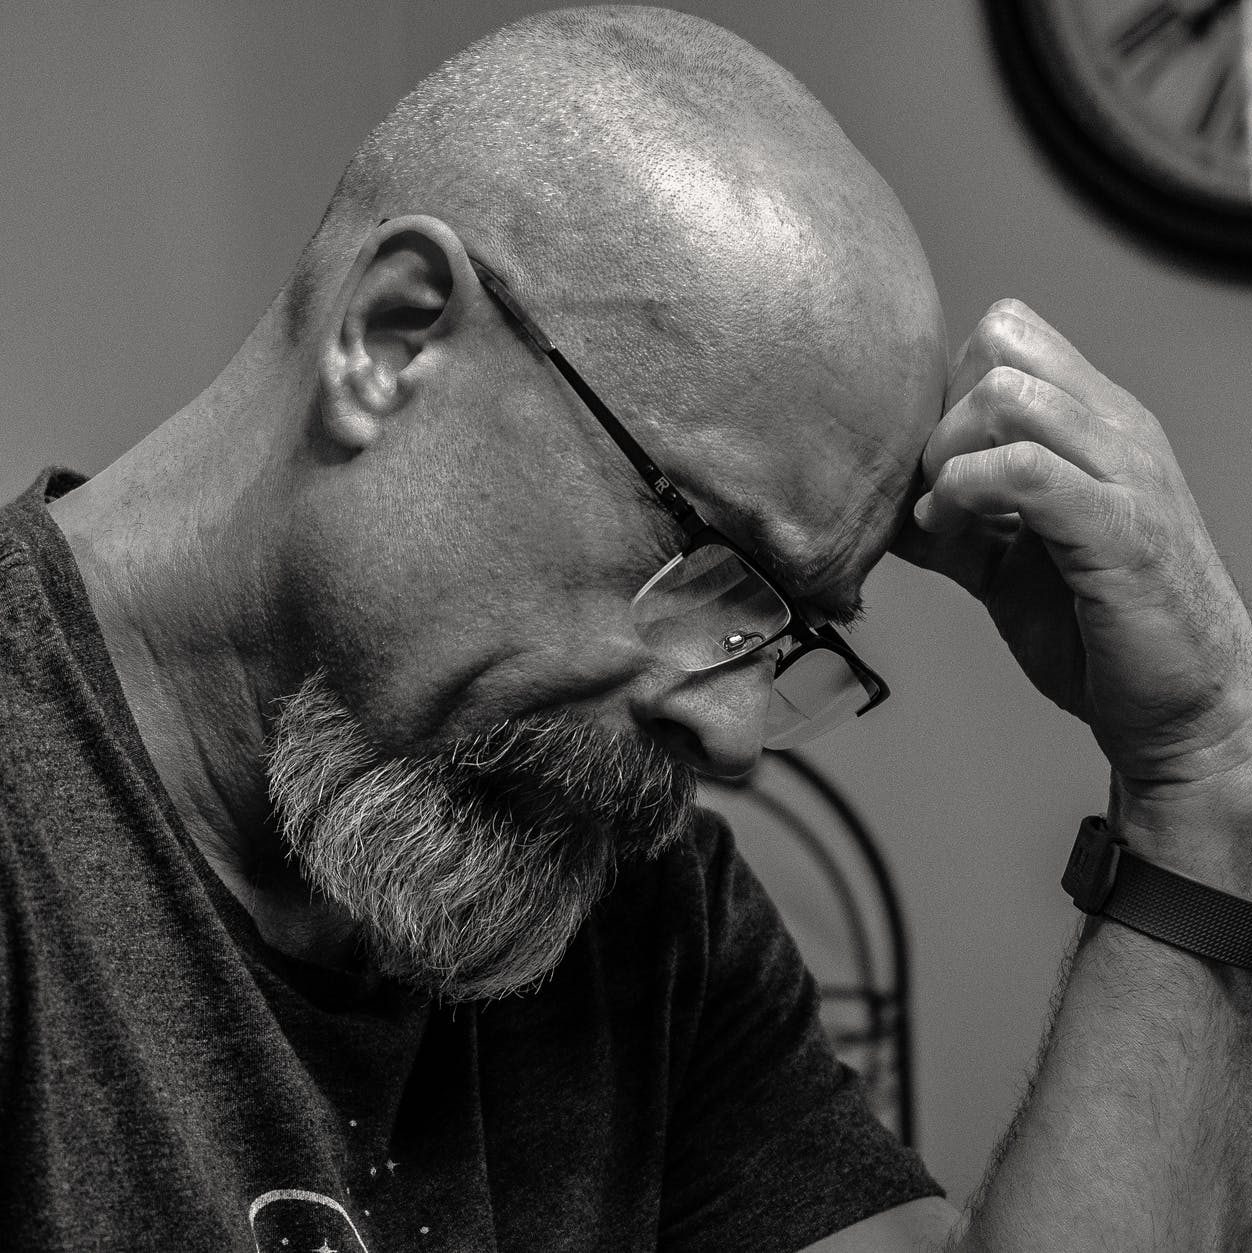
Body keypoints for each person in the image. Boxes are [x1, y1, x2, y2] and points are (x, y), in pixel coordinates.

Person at [2, 5, 1250, 1249]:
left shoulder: (636, 910)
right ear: (394, 336)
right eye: (709, 561)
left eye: (788, 630)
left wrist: (1193, 775)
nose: (736, 735)